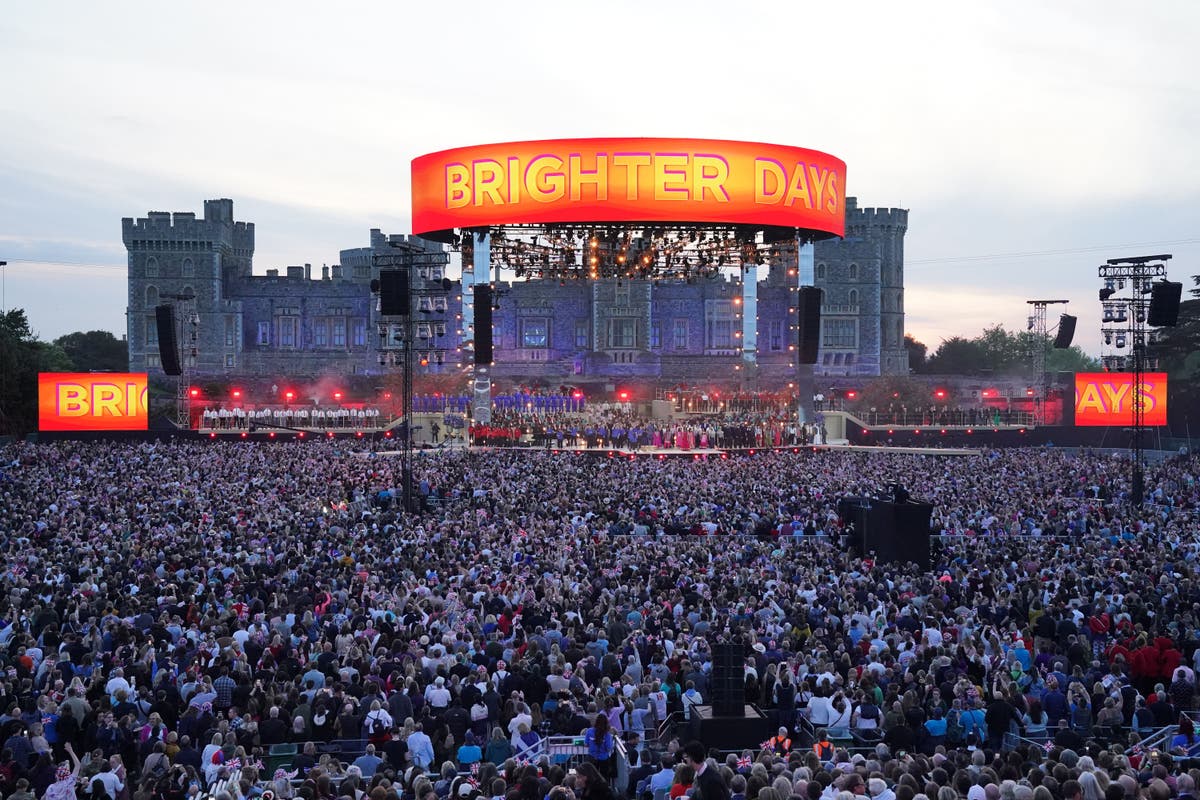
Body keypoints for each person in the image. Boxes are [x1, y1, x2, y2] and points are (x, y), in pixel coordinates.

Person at [585, 713, 616, 782]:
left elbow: (586, 744)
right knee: (604, 778)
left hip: (591, 758)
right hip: (603, 759)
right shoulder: (607, 735)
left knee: (591, 777)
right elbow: (609, 748)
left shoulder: (589, 731)